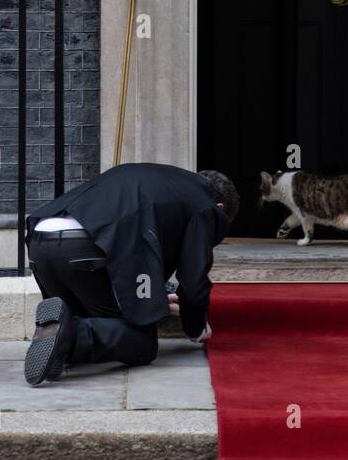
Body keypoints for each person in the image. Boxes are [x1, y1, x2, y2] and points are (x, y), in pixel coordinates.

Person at [22, 163, 239, 385]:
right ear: (220, 208)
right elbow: (193, 281)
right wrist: (195, 327)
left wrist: (155, 296)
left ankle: (60, 340)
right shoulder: (206, 204)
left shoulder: (160, 181)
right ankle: (71, 335)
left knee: (97, 321)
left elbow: (129, 238)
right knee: (142, 343)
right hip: (86, 251)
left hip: (42, 244)